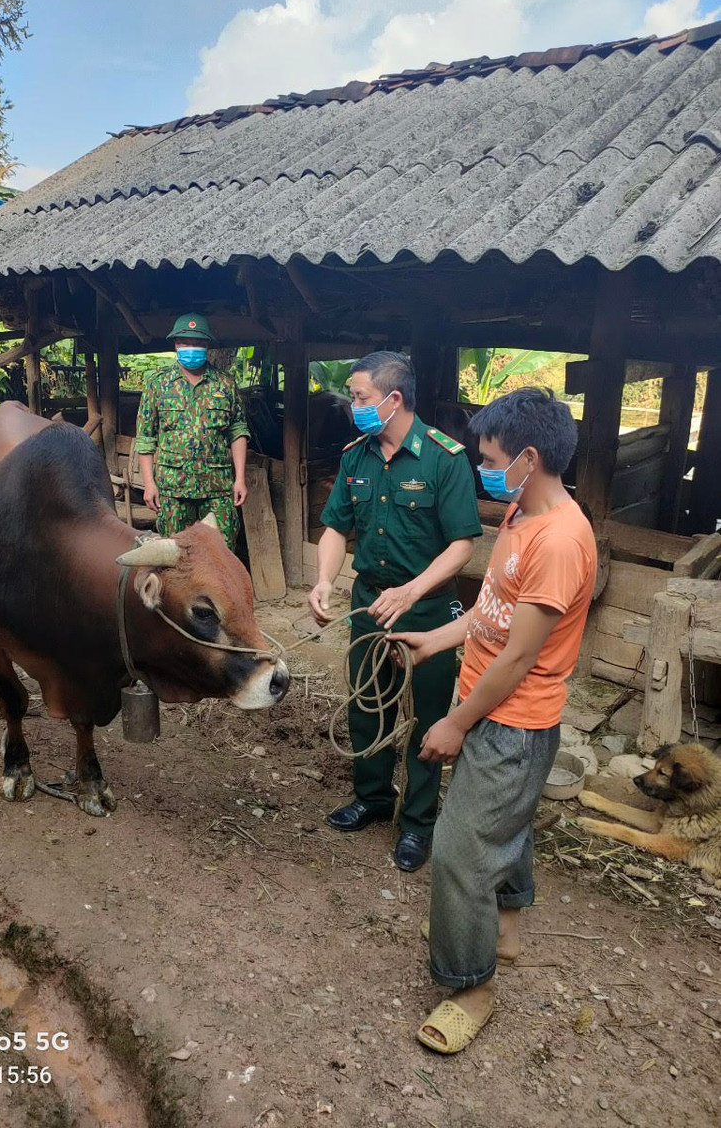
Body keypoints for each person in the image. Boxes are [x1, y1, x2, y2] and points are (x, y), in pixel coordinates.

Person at [387, 387, 596, 1054]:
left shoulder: (561, 540)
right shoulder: (518, 514)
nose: (483, 465)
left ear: (529, 458)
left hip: (515, 720)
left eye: (490, 456)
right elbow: (492, 613)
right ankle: (504, 929)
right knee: (506, 822)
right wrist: (436, 641)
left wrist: (453, 724)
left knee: (459, 852)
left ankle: (471, 988)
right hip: (490, 704)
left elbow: (521, 655)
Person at [308, 352, 482, 872]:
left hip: (430, 609)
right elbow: (337, 528)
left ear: (394, 399)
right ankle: (373, 797)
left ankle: (417, 824)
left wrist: (410, 591)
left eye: (360, 398)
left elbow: (462, 545)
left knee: (429, 719)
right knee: (368, 703)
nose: (353, 406)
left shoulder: (443, 458)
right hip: (369, 602)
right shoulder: (355, 456)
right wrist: (323, 579)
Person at [135, 314, 249, 550]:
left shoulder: (225, 384)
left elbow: (237, 432)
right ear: (175, 344)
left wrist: (239, 479)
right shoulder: (158, 384)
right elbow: (146, 438)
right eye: (184, 342)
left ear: (207, 345)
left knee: (221, 552)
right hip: (172, 489)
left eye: (197, 343)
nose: (191, 348)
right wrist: (149, 483)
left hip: (217, 488)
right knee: (173, 554)